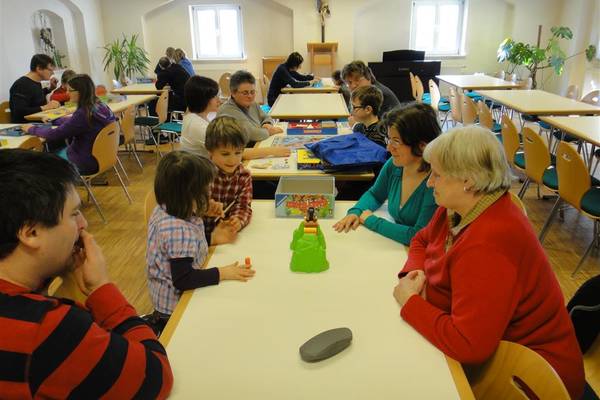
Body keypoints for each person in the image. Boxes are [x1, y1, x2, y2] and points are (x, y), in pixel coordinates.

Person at [393, 126, 585, 399]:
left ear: (468, 181)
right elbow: (422, 240)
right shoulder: (460, 208)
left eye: (437, 175)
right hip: (493, 353)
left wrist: (410, 302)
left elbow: (468, 344)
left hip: (527, 378)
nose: (429, 183)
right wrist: (415, 272)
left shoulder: (488, 242)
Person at [0, 149, 173, 398]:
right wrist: (101, 287)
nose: (83, 224)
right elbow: (154, 376)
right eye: (73, 214)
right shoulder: (46, 329)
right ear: (31, 233)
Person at [146, 151, 255, 334]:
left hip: (179, 294)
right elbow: (183, 279)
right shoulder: (178, 229)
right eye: (205, 190)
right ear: (190, 197)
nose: (209, 193)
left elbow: (181, 249)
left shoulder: (166, 208)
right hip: (176, 310)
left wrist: (204, 216)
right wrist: (222, 273)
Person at [333, 103, 440, 245]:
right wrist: (356, 211)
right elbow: (375, 195)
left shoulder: (435, 182)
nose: (388, 148)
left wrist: (373, 221)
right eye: (389, 139)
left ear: (422, 146)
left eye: (396, 141)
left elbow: (418, 235)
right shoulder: (395, 165)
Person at [22, 74, 116, 174]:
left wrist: (31, 129)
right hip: (104, 156)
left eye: (70, 90)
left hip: (85, 162)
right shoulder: (99, 106)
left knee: (43, 160)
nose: (67, 93)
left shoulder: (83, 113)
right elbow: (74, 122)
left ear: (80, 92)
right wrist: (54, 120)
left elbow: (55, 134)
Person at [182, 76, 290, 160]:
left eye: (252, 92)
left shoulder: (197, 118)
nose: (219, 100)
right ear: (203, 99)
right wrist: (273, 151)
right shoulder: (197, 125)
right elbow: (234, 152)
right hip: (206, 175)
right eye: (215, 97)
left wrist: (267, 125)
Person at [204, 116, 253, 241]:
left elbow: (243, 206)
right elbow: (186, 211)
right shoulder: (201, 176)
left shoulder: (244, 176)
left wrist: (237, 220)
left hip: (224, 236)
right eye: (225, 154)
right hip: (199, 238)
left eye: (238, 153)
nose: (233, 160)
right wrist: (204, 208)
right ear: (210, 151)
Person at [217, 70, 283, 143]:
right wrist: (270, 131)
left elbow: (266, 117)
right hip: (243, 149)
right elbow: (252, 134)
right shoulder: (227, 110)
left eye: (252, 92)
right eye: (245, 93)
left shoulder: (252, 104)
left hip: (258, 143)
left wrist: (267, 124)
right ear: (233, 93)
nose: (250, 96)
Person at [9, 54, 60, 122]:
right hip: (25, 125)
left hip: (39, 122)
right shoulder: (21, 84)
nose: (52, 73)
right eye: (50, 70)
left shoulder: (35, 82)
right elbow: (20, 111)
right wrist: (45, 107)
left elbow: (35, 96)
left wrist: (50, 88)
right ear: (39, 68)